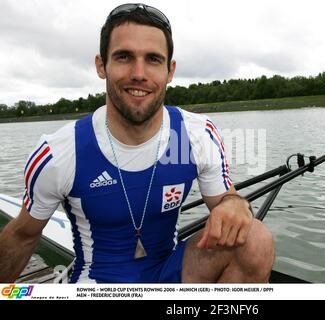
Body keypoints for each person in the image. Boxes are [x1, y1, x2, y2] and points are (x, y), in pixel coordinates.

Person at [0, 3, 274, 283]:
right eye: (124, 57)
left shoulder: (196, 135)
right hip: (99, 284)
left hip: (171, 271)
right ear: (101, 65)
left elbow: (227, 201)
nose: (139, 73)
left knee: (255, 238)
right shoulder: (60, 152)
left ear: (170, 71)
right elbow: (23, 235)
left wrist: (236, 205)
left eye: (153, 59)